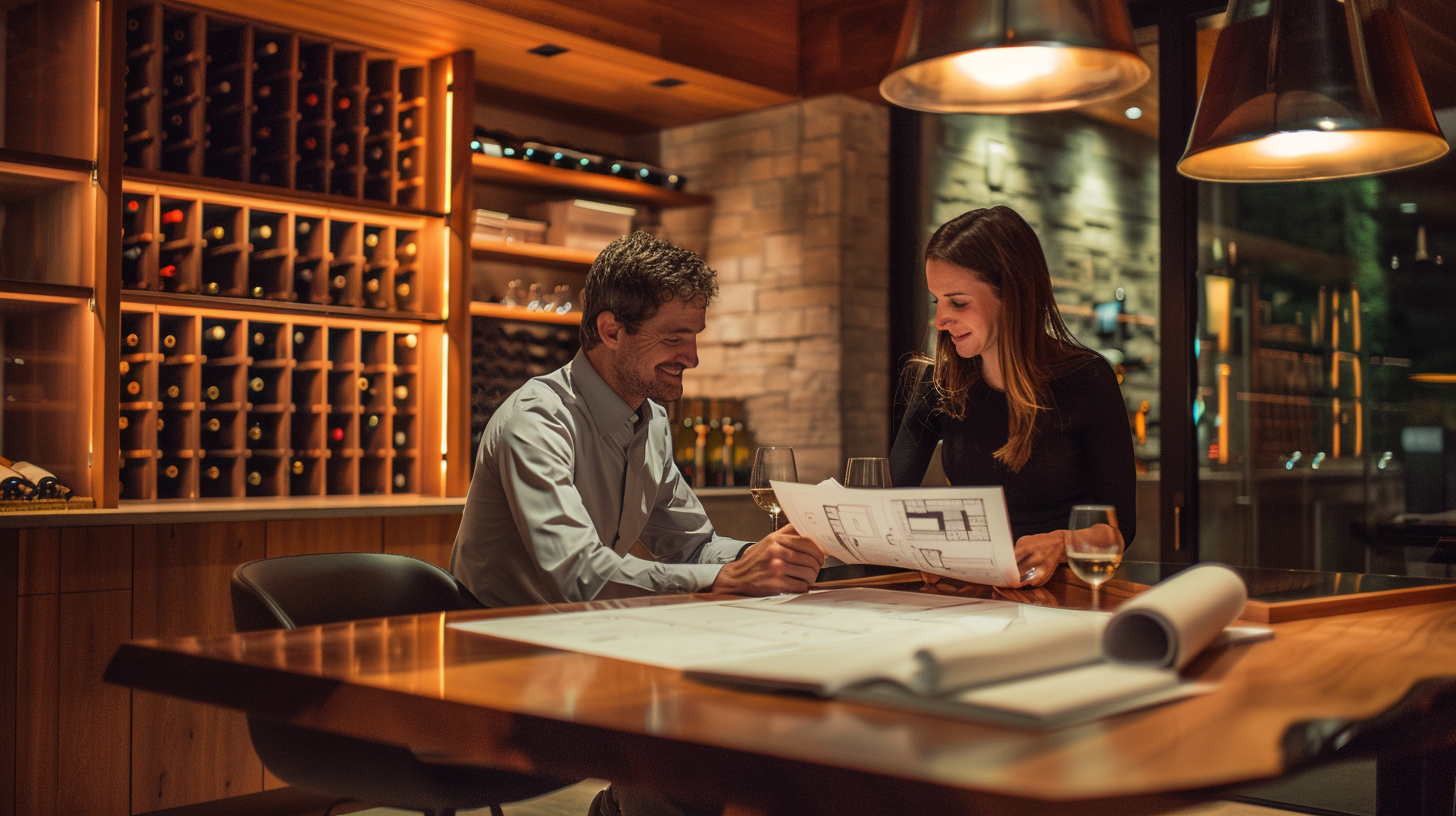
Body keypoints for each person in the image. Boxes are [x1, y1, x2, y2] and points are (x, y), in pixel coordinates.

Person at [450, 229, 825, 608]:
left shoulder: (653, 422)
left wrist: (767, 556)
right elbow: (580, 573)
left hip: (584, 635)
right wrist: (729, 576)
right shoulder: (537, 421)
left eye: (694, 337)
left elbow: (693, 547)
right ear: (611, 331)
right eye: (673, 339)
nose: (692, 359)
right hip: (498, 642)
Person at [889, 206, 1136, 589]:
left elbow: (1120, 530)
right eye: (937, 301)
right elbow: (888, 499)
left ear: (1013, 295)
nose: (939, 321)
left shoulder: (1086, 379)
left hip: (1061, 596)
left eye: (957, 302)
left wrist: (1064, 541)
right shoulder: (940, 382)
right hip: (975, 596)